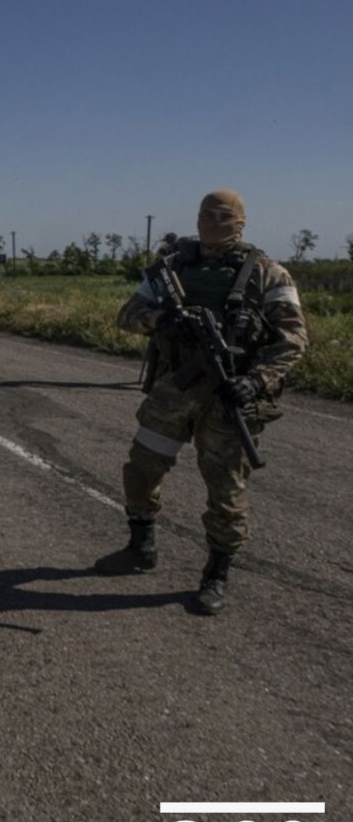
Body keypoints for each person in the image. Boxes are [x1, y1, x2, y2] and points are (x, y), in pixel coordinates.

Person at [98, 190, 307, 614]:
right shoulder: (172, 269)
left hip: (229, 397)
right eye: (205, 214)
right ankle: (141, 546)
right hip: (173, 392)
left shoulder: (269, 273)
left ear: (241, 222)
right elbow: (127, 315)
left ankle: (217, 573)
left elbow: (293, 339)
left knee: (225, 490)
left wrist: (255, 381)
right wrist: (159, 318)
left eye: (222, 215)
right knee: (141, 469)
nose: (212, 222)